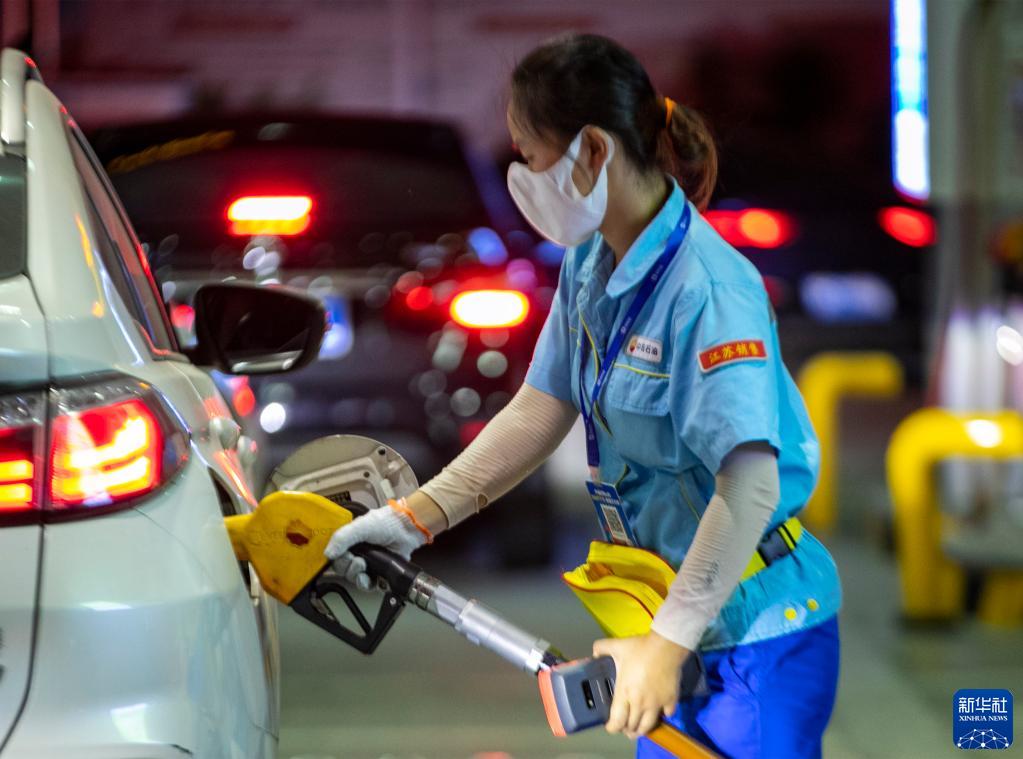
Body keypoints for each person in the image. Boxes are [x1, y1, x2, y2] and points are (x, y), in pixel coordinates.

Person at [325, 33, 841, 759]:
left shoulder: (708, 290)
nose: (523, 178)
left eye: (530, 157)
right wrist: (415, 518)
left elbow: (750, 485)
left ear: (593, 151)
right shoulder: (591, 264)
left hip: (752, 639)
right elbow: (541, 408)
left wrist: (666, 643)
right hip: (669, 625)